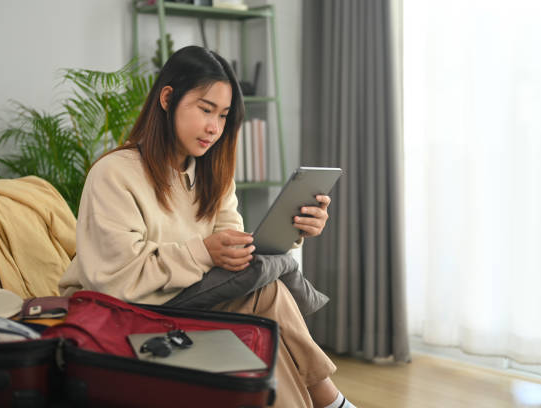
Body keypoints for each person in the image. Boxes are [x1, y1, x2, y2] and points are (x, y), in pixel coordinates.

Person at [59, 45, 355, 408]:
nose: (214, 127)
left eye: (224, 116)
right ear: (168, 98)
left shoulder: (213, 173)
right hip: (124, 310)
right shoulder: (115, 173)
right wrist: (203, 251)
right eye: (205, 109)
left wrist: (295, 232)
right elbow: (117, 279)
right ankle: (331, 400)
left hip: (185, 301)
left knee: (266, 292)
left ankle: (327, 402)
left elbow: (236, 253)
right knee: (267, 294)